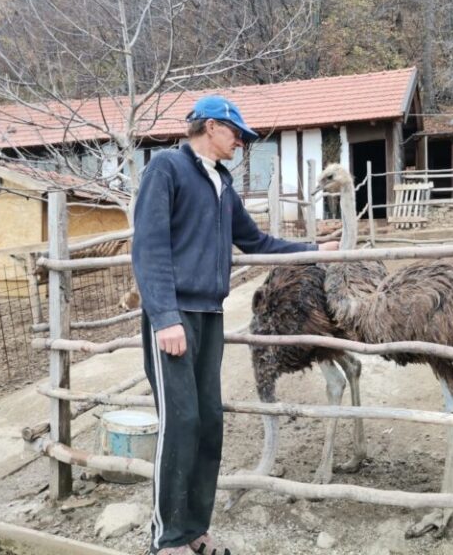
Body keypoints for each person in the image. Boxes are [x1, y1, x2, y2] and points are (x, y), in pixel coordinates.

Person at [132, 95, 338, 555]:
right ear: (209, 127)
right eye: (236, 134)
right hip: (174, 317)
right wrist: (164, 316)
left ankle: (195, 532)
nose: (242, 143)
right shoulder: (166, 168)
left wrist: (312, 250)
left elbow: (255, 240)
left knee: (208, 422)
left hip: (210, 314)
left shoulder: (222, 184)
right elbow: (148, 247)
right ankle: (167, 540)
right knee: (180, 422)